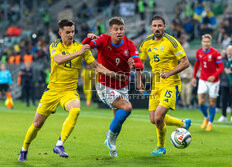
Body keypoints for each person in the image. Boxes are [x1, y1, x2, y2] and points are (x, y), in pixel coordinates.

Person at [18, 19, 126, 161]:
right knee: (37, 124)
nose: (70, 35)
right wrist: (79, 52)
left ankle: (59, 144)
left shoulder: (80, 47)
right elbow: (58, 59)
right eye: (67, 32)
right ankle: (24, 149)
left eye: (73, 32)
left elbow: (96, 66)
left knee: (75, 109)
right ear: (60, 32)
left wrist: (114, 75)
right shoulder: (55, 45)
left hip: (69, 91)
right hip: (52, 90)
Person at [82, 16, 144, 157]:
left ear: (124, 29)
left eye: (121, 29)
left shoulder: (129, 45)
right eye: (115, 29)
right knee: (127, 107)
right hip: (105, 86)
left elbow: (138, 62)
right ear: (110, 31)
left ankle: (111, 144)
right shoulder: (103, 39)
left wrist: (138, 78)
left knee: (119, 119)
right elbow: (85, 47)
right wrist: (88, 39)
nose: (119, 32)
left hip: (122, 86)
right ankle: (109, 138)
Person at [139, 15, 191, 155]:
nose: (157, 28)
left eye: (160, 26)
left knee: (158, 117)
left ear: (164, 27)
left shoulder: (172, 42)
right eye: (154, 26)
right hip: (156, 84)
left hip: (170, 83)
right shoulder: (146, 42)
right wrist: (139, 80)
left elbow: (185, 63)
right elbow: (140, 62)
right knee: (153, 120)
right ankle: (182, 123)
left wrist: (169, 72)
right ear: (151, 27)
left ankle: (160, 147)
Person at [192, 34, 224, 131]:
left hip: (214, 81)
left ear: (210, 43)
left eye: (208, 42)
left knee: (211, 103)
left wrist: (214, 75)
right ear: (202, 42)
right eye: (204, 41)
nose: (206, 43)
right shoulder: (198, 52)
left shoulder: (216, 53)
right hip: (202, 79)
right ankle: (206, 117)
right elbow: (197, 64)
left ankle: (210, 122)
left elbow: (221, 67)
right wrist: (194, 77)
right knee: (200, 102)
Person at [217, 45, 232, 122]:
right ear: (226, 51)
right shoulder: (222, 60)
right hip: (223, 82)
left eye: (231, 50)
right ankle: (224, 115)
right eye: (228, 50)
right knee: (223, 99)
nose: (229, 52)